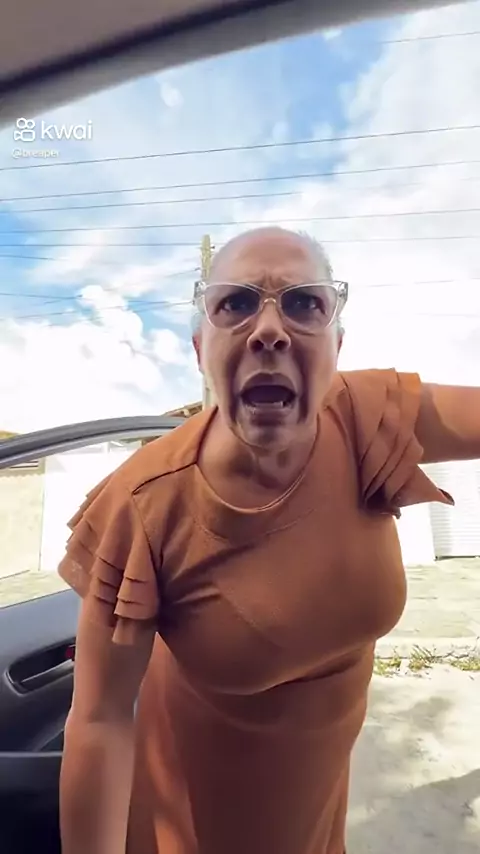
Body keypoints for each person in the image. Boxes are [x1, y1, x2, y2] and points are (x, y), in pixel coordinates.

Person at [57, 227, 480, 854]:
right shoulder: (144, 503)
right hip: (194, 833)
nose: (270, 329)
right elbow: (100, 720)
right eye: (236, 303)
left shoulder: (365, 417)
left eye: (305, 303)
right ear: (200, 349)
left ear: (337, 346)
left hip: (317, 824)